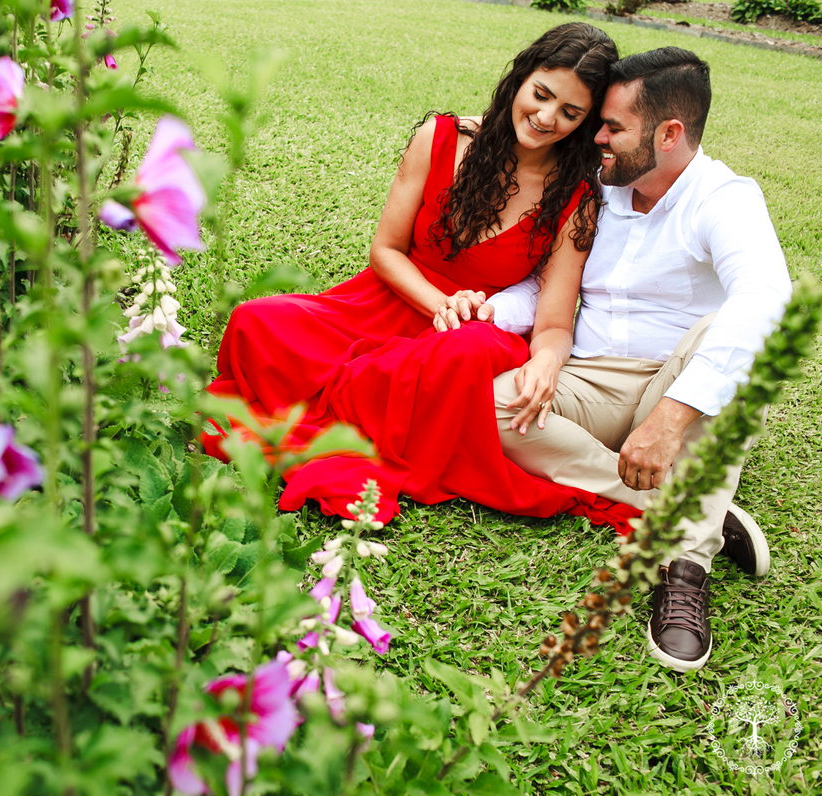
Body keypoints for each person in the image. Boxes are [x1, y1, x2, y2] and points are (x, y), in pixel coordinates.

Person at [203, 23, 639, 530]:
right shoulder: (442, 138)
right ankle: (358, 406)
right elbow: (385, 251)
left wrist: (546, 360)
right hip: (394, 298)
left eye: (569, 112)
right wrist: (438, 304)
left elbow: (555, 322)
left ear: (586, 123)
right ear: (520, 79)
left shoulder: (574, 197)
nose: (545, 118)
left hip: (466, 334)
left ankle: (353, 408)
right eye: (541, 95)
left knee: (463, 353)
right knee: (257, 321)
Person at [480, 47, 791, 671]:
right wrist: (484, 308)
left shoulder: (723, 198)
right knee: (490, 405)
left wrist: (670, 417)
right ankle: (690, 506)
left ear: (669, 135)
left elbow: (767, 296)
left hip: (675, 382)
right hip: (590, 378)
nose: (597, 137)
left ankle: (686, 568)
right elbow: (549, 283)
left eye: (613, 127)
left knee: (734, 337)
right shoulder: (597, 185)